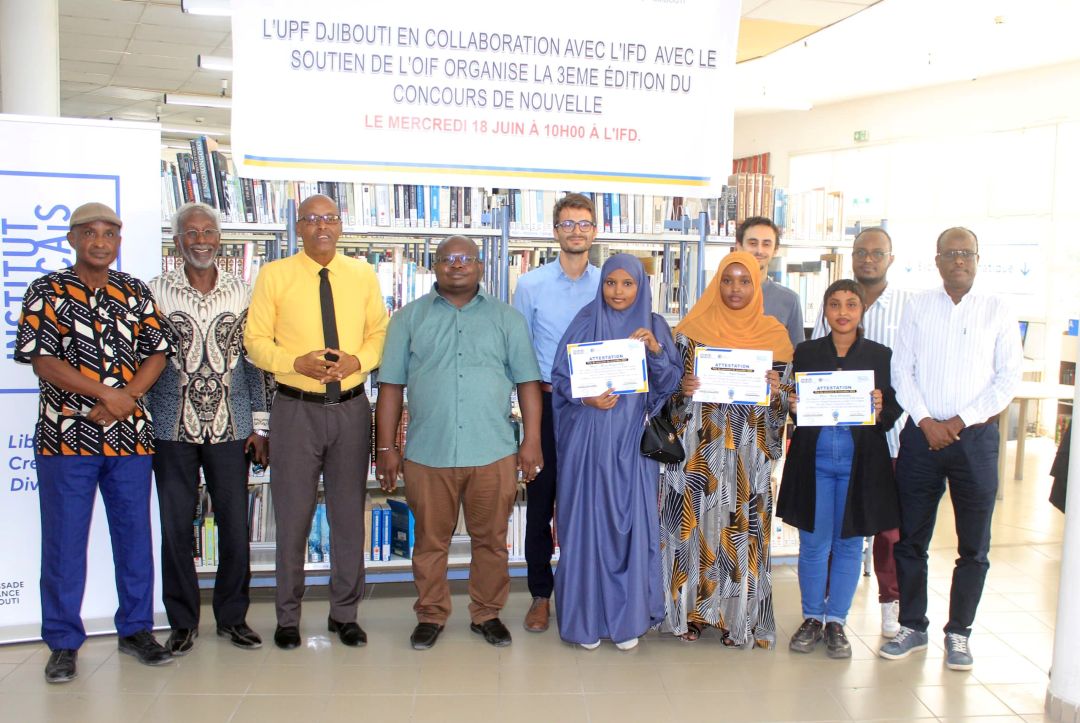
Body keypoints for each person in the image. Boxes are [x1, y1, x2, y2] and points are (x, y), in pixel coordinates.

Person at [16, 202, 173, 683]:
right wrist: (107, 394)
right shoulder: (47, 291)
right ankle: (63, 642)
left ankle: (136, 631)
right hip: (67, 438)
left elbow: (159, 352)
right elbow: (44, 361)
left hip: (129, 438)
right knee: (64, 543)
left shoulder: (134, 291)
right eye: (89, 233)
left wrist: (128, 397)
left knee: (134, 536)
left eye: (109, 233)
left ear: (119, 241)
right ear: (72, 239)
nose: (100, 241)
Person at [375, 236, 542, 650]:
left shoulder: (507, 320)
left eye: (465, 259)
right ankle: (430, 614)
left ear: (481, 267)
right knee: (430, 542)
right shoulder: (407, 319)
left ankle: (486, 613)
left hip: (493, 451)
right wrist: (385, 448)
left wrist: (532, 442)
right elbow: (391, 387)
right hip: (428, 453)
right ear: (435, 266)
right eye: (447, 259)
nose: (456, 266)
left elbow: (527, 383)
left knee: (491, 540)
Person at [244, 194, 388, 650]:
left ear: (340, 226)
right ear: (299, 227)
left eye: (329, 219)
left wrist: (357, 361)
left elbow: (379, 333)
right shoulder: (275, 275)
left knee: (348, 517)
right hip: (295, 409)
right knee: (293, 517)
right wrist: (295, 362)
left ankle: (344, 614)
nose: (321, 226)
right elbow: (254, 341)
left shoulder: (362, 274)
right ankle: (288, 618)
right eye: (312, 220)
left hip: (350, 408)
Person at [881, 227, 1023, 671]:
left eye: (967, 253)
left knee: (974, 545)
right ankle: (912, 625)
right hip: (921, 439)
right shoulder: (919, 307)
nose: (959, 260)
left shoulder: (998, 309)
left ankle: (959, 632)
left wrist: (958, 422)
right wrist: (926, 421)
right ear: (937, 260)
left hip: (975, 440)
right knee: (910, 540)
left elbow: (1007, 379)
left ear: (978, 259)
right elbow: (902, 370)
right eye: (950, 253)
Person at [147, 202, 269, 655]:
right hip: (169, 426)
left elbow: (257, 364)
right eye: (191, 232)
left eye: (209, 231)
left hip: (231, 425)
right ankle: (182, 621)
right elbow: (143, 360)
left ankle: (233, 618)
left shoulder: (243, 292)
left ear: (220, 239)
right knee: (176, 526)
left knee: (235, 526)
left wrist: (260, 424)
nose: (201, 240)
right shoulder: (154, 291)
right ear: (177, 241)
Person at [660, 250, 793, 648]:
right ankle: (690, 614)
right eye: (728, 280)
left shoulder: (775, 337)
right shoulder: (690, 331)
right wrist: (681, 392)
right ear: (717, 283)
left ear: (757, 285)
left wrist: (777, 390)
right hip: (698, 445)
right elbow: (668, 398)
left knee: (740, 531)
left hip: (748, 452)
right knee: (693, 527)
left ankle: (737, 618)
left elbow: (786, 405)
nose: (735, 289)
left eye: (744, 281)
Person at [550, 254, 681, 650]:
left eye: (627, 284)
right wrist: (584, 396)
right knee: (586, 528)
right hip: (586, 443)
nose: (618, 292)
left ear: (641, 286)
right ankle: (585, 619)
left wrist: (656, 351)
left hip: (632, 445)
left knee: (630, 528)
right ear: (601, 284)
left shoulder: (655, 325)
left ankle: (628, 620)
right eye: (611, 283)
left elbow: (670, 384)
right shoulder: (585, 321)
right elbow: (559, 379)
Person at [779, 279, 901, 658]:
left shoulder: (880, 355)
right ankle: (812, 617)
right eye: (835, 304)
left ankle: (837, 623)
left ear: (861, 311)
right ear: (825, 310)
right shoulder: (807, 352)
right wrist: (794, 405)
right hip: (813, 461)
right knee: (814, 543)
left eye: (851, 304)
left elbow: (893, 409)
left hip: (859, 463)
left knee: (849, 543)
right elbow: (791, 404)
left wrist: (882, 408)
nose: (843, 312)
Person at [812, 227, 912, 637]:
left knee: (886, 528)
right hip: (834, 439)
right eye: (860, 252)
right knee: (837, 524)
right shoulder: (831, 305)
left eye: (877, 252)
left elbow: (906, 375)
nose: (868, 259)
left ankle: (890, 602)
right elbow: (817, 370)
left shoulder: (908, 307)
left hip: (890, 436)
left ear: (891, 257)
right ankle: (831, 607)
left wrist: (882, 407)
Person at [512, 192, 601, 633]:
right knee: (541, 501)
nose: (576, 231)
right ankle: (540, 595)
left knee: (586, 503)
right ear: (555, 231)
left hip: (593, 410)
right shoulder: (530, 286)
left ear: (595, 230)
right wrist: (529, 429)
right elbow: (520, 355)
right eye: (568, 224)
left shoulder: (610, 283)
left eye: (584, 224)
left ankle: (582, 590)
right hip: (544, 405)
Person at [735, 216, 804, 348]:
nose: (759, 250)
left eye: (766, 244)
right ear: (739, 246)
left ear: (775, 250)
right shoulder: (718, 295)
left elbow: (798, 358)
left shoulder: (790, 300)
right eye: (752, 243)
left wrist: (782, 370)